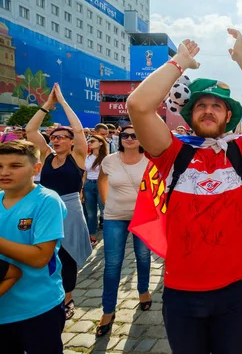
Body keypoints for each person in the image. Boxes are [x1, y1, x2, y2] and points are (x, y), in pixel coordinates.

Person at [127, 30, 242, 354]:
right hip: (181, 291)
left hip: (235, 290)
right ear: (190, 114)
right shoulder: (172, 153)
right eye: (201, 105)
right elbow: (139, 106)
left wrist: (241, 57)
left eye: (217, 105)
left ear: (229, 116)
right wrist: (178, 63)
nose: (208, 110)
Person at [0, 140, 67, 354]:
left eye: (15, 166)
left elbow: (40, 258)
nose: (4, 172)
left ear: (36, 168)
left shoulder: (46, 201)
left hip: (37, 307)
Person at [26, 83, 92, 321]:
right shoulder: (46, 155)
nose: (56, 140)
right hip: (46, 208)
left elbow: (79, 130)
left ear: (71, 141)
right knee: (45, 252)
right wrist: (47, 105)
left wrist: (63, 102)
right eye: (53, 137)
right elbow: (31, 131)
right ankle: (49, 294)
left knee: (68, 254)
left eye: (62, 137)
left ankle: (68, 297)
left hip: (71, 209)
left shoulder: (78, 156)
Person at [96, 125, 152, 337]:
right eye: (125, 135)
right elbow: (102, 179)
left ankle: (143, 291)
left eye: (134, 135)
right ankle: (108, 310)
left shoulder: (150, 159)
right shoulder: (109, 160)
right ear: (120, 138)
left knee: (144, 257)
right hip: (114, 216)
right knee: (112, 264)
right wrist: (105, 201)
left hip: (143, 217)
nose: (129, 138)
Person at [84, 135, 108, 246]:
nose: (89, 143)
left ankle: (108, 236)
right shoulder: (87, 157)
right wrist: (82, 188)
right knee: (91, 213)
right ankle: (92, 236)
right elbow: (84, 173)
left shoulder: (106, 157)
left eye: (92, 141)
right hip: (89, 184)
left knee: (105, 211)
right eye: (89, 141)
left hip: (101, 184)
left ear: (101, 143)